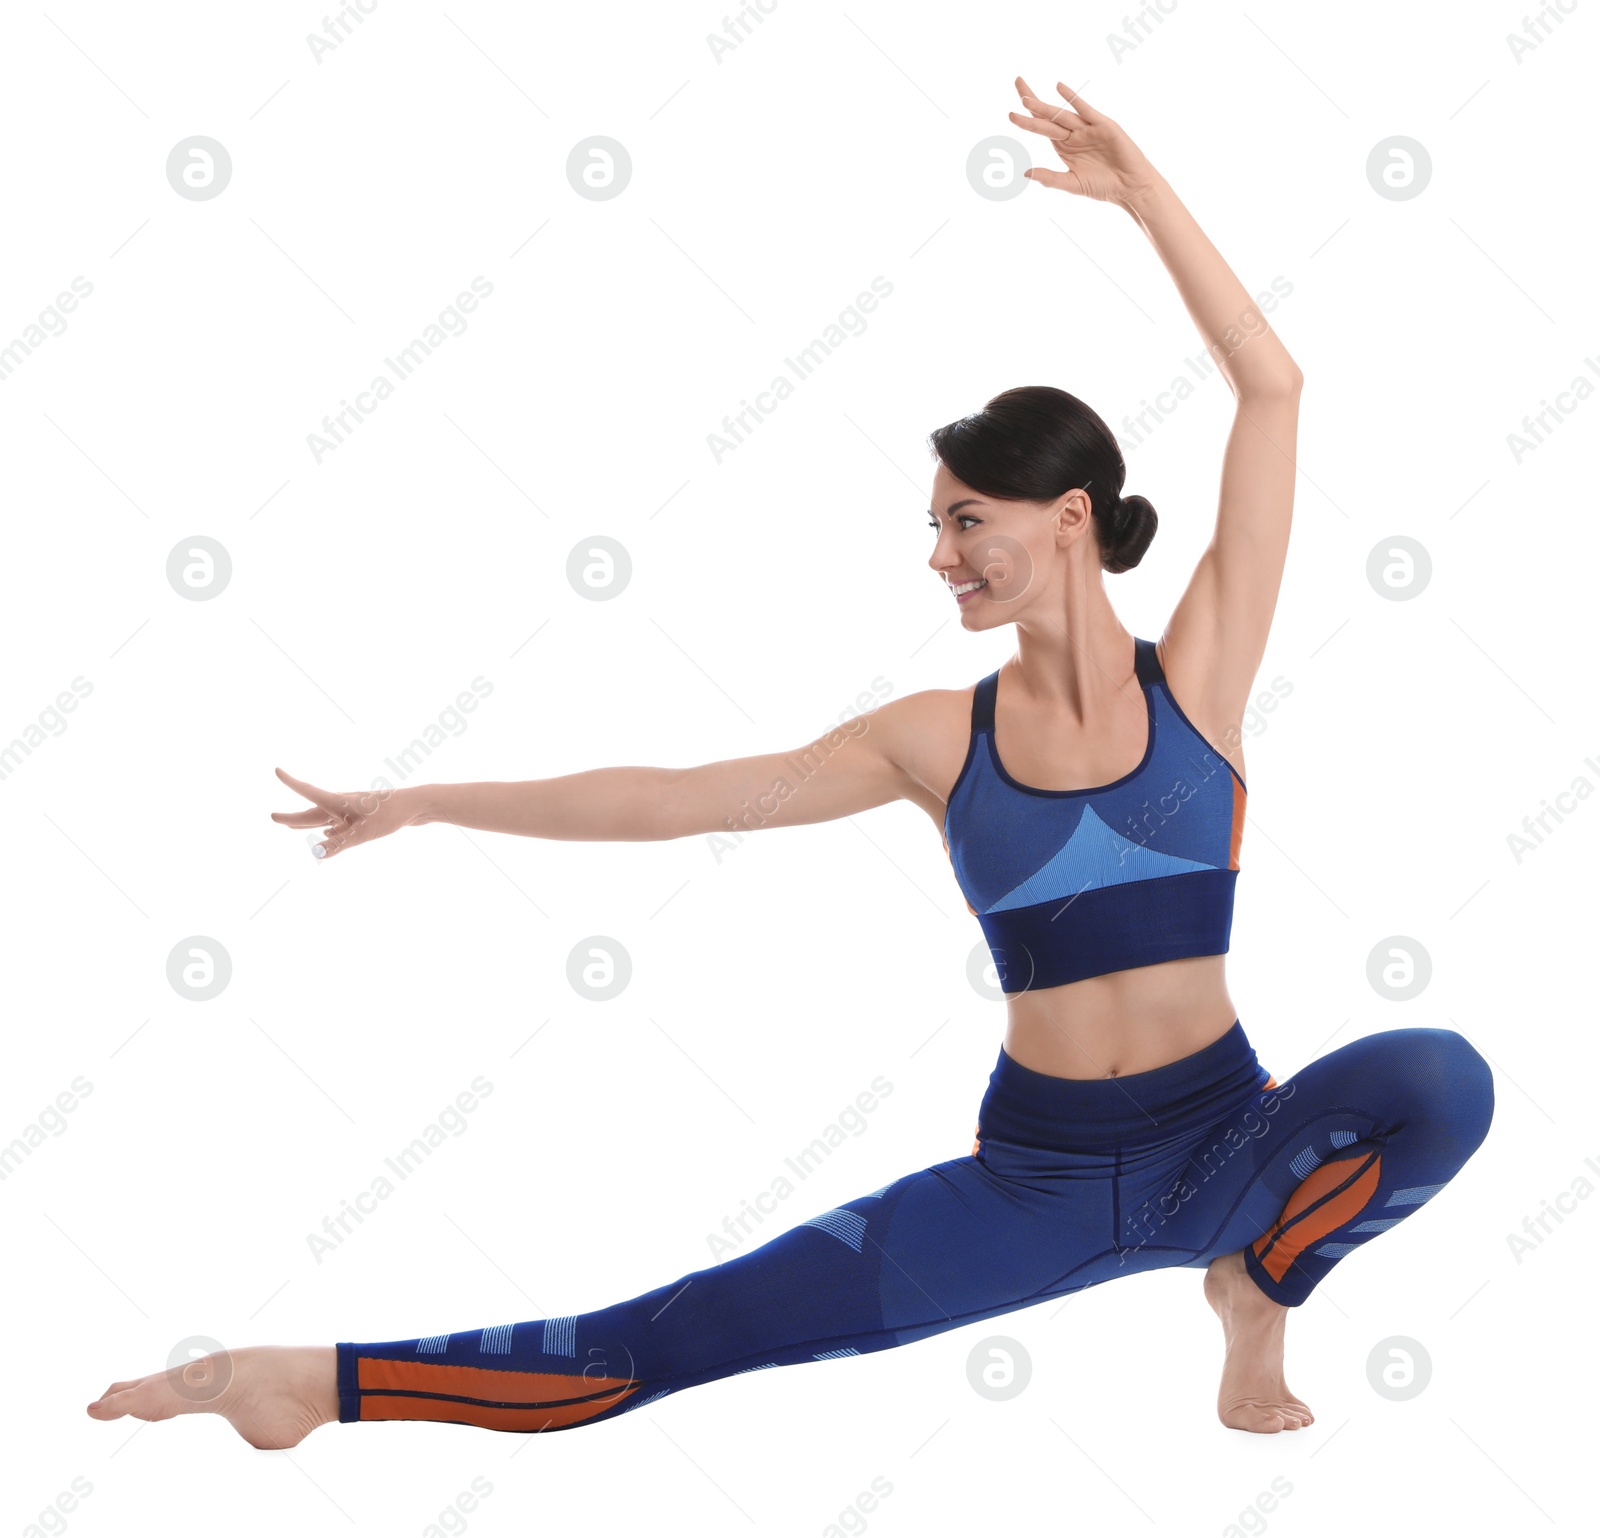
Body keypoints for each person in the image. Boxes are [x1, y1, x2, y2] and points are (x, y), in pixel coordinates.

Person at [87, 76, 1493, 1448]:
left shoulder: (1202, 675)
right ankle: (307, 1382)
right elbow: (669, 795)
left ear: (1069, 518)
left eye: (966, 521)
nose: (940, 556)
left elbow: (1273, 389)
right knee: (649, 1348)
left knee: (1443, 1077)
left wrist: (1142, 199)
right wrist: (433, 799)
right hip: (1036, 1182)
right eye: (935, 529)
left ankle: (1259, 1284)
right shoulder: (939, 739)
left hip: (1224, 1145)